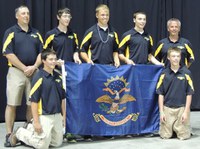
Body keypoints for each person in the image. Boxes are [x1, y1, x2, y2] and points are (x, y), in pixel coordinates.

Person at [2, 5, 43, 147]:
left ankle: (27, 133)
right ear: (17, 16)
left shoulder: (36, 33)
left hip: (34, 72)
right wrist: (24, 68)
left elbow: (41, 53)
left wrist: (34, 67)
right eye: (23, 13)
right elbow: (8, 53)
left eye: (28, 13)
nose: (26, 16)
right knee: (12, 104)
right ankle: (9, 135)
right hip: (16, 72)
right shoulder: (10, 32)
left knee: (31, 104)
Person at [9, 48, 66, 148]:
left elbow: (62, 99)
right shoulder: (39, 77)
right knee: (42, 146)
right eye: (51, 59)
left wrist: (63, 116)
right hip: (44, 115)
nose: (54, 61)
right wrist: (36, 122)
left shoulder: (59, 76)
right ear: (43, 61)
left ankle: (33, 132)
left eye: (55, 59)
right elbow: (34, 101)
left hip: (56, 115)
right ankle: (20, 133)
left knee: (57, 143)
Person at [156, 47, 194, 140]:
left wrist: (186, 111)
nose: (176, 58)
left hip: (181, 108)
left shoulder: (187, 73)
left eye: (178, 56)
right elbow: (160, 94)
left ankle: (182, 128)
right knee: (165, 136)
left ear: (180, 57)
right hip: (167, 108)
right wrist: (161, 112)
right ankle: (171, 128)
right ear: (168, 57)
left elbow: (189, 93)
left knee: (183, 137)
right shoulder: (163, 74)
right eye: (173, 56)